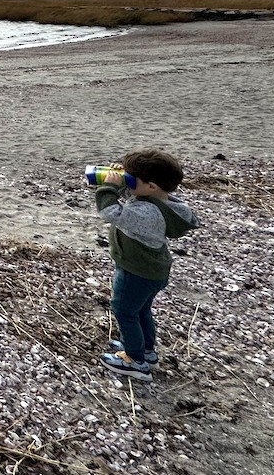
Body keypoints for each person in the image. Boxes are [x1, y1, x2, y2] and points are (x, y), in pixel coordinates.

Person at [94, 148, 200, 381]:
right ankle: (146, 350)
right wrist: (123, 180)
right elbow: (135, 195)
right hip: (152, 270)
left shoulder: (147, 213)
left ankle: (134, 360)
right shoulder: (157, 200)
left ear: (151, 186)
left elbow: (111, 212)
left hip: (137, 271)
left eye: (132, 179)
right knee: (141, 310)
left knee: (124, 310)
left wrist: (108, 188)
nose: (128, 183)